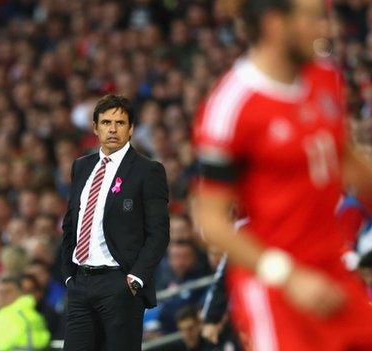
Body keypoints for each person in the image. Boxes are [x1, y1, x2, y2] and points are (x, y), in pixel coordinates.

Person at [193, 0, 372, 350]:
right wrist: (288, 276)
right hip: (276, 286)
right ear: (276, 23)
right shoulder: (232, 106)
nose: (324, 28)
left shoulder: (325, 77)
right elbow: (210, 220)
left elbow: (348, 160)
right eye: (313, 19)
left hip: (332, 269)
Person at [61, 94, 170, 350]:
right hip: (81, 283)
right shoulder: (81, 167)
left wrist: (135, 279)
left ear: (131, 129)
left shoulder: (148, 171)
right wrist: (68, 275)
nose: (112, 128)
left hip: (119, 285)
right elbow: (70, 223)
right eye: (106, 122)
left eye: (120, 123)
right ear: (95, 128)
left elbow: (159, 233)